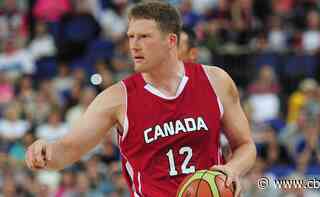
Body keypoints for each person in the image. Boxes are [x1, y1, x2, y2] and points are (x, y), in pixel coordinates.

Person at [25, 1, 256, 197]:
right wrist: (45, 152)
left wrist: (233, 169)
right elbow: (69, 149)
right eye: (131, 37)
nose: (134, 46)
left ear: (171, 41)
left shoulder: (215, 80)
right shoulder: (117, 98)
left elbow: (245, 145)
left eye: (144, 37)